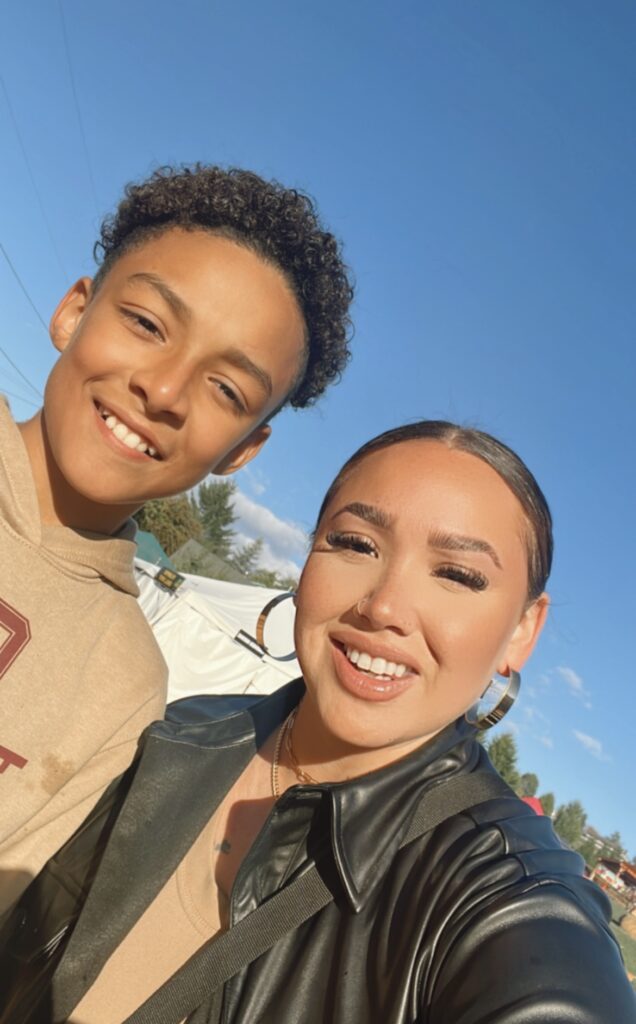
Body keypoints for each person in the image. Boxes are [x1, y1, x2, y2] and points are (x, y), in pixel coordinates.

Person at [2, 421, 635, 1023]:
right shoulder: (179, 735)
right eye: (356, 544)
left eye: (458, 575)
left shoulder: (501, 894)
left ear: (522, 630)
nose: (384, 607)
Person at [0, 164, 353, 917]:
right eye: (147, 324)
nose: (163, 391)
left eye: (226, 390)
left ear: (241, 452)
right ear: (74, 311)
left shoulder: (124, 688)